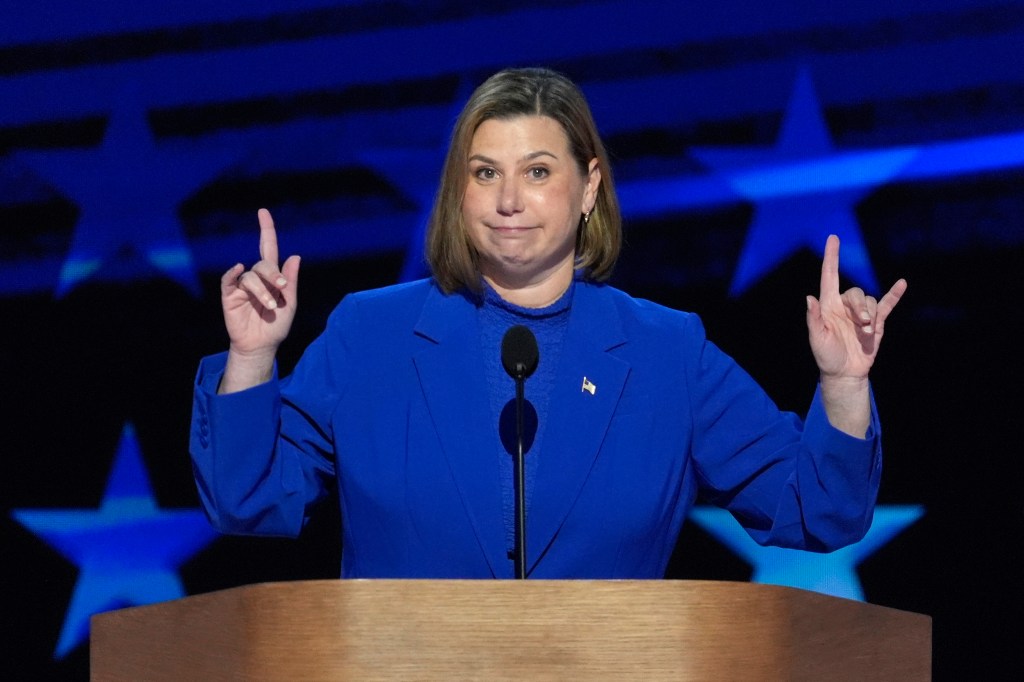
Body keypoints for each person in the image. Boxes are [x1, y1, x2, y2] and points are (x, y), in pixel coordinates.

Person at [190, 67, 907, 579]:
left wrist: (843, 384)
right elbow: (248, 502)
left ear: (589, 185)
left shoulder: (666, 353)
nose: (507, 200)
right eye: (483, 172)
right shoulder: (368, 335)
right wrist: (252, 358)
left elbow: (819, 510)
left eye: (536, 171)